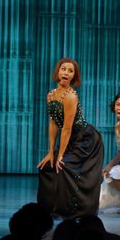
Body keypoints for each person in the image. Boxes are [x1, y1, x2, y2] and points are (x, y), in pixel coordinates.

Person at [37, 57, 104, 219]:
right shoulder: (51, 95)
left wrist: (60, 155)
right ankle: (48, 207)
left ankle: (71, 210)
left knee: (63, 166)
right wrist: (51, 152)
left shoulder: (70, 96)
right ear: (58, 72)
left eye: (70, 71)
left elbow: (66, 129)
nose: (66, 73)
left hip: (85, 139)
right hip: (70, 139)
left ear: (74, 77)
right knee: (47, 167)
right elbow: (54, 123)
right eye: (63, 69)